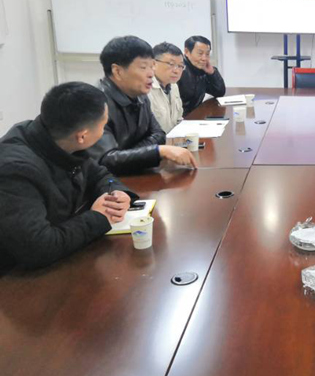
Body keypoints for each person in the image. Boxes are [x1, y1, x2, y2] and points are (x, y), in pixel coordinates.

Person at [0, 82, 135, 270]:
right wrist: (98, 217)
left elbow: (100, 175)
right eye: (103, 125)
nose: (104, 132)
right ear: (82, 136)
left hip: (64, 250)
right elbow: (39, 248)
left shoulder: (61, 138)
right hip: (17, 276)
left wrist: (116, 192)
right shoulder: (15, 171)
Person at [89, 36, 197, 175]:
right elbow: (106, 160)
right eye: (143, 67)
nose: (151, 73)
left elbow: (159, 135)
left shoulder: (140, 95)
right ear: (117, 71)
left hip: (137, 173)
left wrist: (129, 154)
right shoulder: (95, 104)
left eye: (152, 66)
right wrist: (156, 151)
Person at [179, 35, 226, 116]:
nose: (204, 58)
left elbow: (219, 92)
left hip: (196, 115)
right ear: (186, 52)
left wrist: (212, 73)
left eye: (207, 54)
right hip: (182, 119)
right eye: (200, 53)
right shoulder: (178, 71)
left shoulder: (203, 69)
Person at [149, 42, 185, 133]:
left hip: (172, 139)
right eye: (171, 64)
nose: (177, 71)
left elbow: (178, 119)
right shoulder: (145, 89)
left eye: (180, 66)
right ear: (153, 63)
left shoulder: (174, 86)